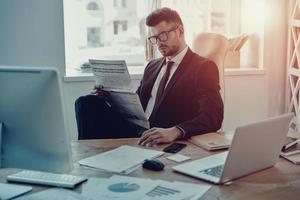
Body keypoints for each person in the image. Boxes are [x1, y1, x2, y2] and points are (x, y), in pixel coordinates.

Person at [75, 7, 223, 147]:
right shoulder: (152, 66)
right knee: (86, 103)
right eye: (154, 38)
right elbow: (137, 104)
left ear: (180, 31)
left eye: (163, 35)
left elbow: (213, 116)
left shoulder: (202, 67)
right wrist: (109, 96)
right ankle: (87, 160)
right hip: (134, 128)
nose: (158, 43)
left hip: (160, 133)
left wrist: (176, 131)